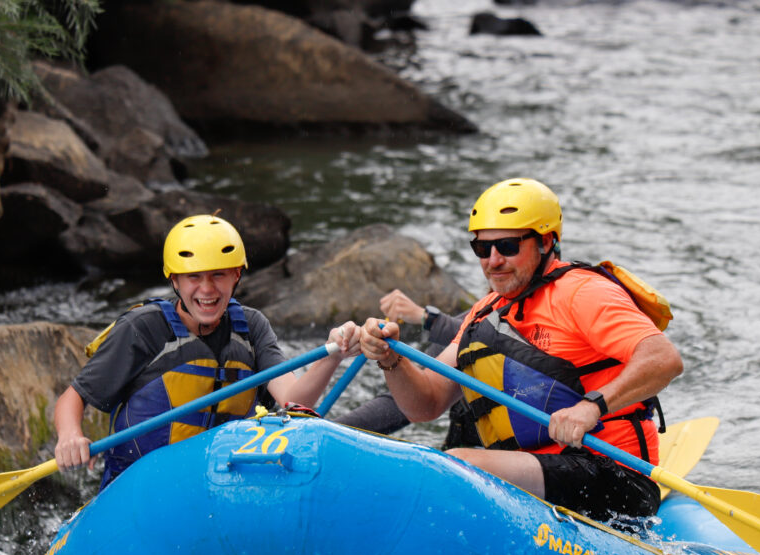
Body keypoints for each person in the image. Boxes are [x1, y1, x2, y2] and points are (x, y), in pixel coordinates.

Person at [357, 178, 683, 520]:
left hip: (613, 475)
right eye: (482, 249)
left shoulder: (582, 292)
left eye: (508, 246)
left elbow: (664, 359)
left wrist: (592, 407)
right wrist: (390, 358)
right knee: (447, 456)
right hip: (535, 472)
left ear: (545, 241)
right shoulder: (484, 313)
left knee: (460, 464)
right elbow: (426, 403)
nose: (493, 261)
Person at [54, 214, 359, 488]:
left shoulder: (252, 327)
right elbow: (73, 398)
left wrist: (331, 356)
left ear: (236, 275)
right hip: (141, 487)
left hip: (220, 486)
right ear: (174, 280)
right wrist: (70, 435)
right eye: (194, 277)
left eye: (218, 275)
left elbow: (296, 402)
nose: (207, 289)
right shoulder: (144, 328)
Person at [333, 289, 470, 440]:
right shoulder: (478, 316)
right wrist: (332, 430)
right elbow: (413, 400)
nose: (494, 263)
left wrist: (428, 319)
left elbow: (487, 338)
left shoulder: (478, 326)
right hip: (459, 453)